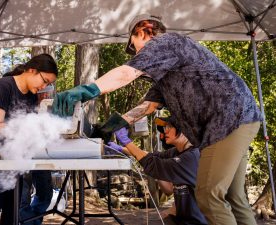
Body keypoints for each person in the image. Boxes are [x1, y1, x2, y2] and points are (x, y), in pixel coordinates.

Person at [52, 14, 262, 225]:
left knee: (207, 195)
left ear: (144, 30)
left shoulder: (168, 42)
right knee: (235, 198)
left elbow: (127, 73)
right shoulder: (168, 73)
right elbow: (148, 106)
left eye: (135, 47)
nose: (137, 54)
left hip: (226, 120)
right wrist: (112, 126)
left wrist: (85, 91)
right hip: (239, 118)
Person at [0, 53, 57, 225]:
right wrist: (27, 129)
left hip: (12, 156)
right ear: (32, 70)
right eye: (44, 81)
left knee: (12, 210)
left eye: (48, 84)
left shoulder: (31, 96)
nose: (44, 86)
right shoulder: (3, 86)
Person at [108, 117, 207, 225]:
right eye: (165, 127)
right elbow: (151, 156)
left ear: (185, 130)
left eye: (170, 127)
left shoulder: (191, 157)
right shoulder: (176, 152)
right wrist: (121, 149)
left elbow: (153, 164)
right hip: (182, 219)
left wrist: (127, 141)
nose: (165, 130)